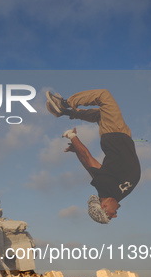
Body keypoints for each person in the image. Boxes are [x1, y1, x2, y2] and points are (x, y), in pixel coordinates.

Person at [46, 89, 141, 224]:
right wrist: (77, 150)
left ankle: (64, 104)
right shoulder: (112, 192)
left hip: (115, 135)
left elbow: (88, 158)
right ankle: (65, 112)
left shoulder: (105, 187)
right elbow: (90, 167)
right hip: (123, 136)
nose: (115, 216)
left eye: (110, 215)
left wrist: (73, 137)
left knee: (104, 96)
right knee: (99, 115)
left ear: (104, 207)